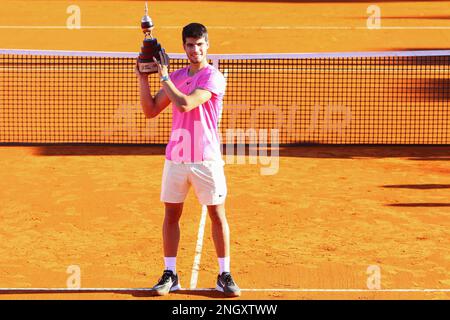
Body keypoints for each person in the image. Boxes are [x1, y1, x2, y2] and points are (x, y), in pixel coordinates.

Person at [135, 22, 240, 297]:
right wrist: (143, 77)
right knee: (171, 214)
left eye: (200, 44)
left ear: (208, 45)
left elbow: (185, 103)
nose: (196, 49)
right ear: (184, 47)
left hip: (206, 159)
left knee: (217, 214)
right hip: (177, 157)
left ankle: (224, 274)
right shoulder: (178, 76)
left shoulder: (213, 78)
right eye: (191, 45)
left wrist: (165, 76)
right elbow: (151, 110)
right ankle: (170, 273)